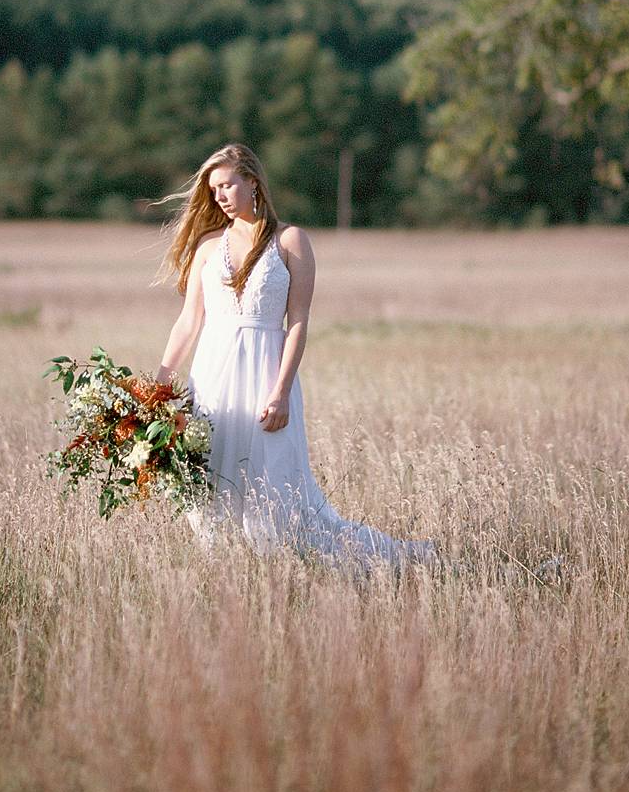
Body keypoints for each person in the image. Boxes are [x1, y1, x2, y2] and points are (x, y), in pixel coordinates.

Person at [154, 143, 442, 574]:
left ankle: (371, 564)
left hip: (266, 376)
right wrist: (158, 385)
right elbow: (188, 322)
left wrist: (282, 390)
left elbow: (299, 321)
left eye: (229, 184)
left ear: (252, 181)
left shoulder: (290, 240)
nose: (221, 196)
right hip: (212, 378)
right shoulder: (208, 247)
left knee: (277, 491)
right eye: (214, 190)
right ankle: (227, 576)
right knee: (211, 487)